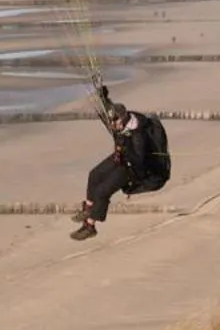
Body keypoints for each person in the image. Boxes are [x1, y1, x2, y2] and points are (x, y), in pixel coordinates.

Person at [70, 88, 171, 240]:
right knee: (94, 175)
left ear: (122, 120)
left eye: (114, 122)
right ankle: (89, 209)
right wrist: (103, 98)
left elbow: (139, 159)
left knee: (102, 191)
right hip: (122, 155)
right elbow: (109, 110)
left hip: (133, 168)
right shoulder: (119, 120)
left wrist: (125, 148)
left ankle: (89, 226)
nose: (112, 124)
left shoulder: (138, 135)